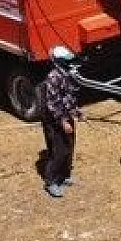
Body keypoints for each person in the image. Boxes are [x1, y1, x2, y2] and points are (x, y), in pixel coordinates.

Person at [38, 45, 81, 198]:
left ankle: (64, 176)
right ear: (58, 61)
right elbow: (53, 103)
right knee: (59, 151)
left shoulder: (68, 74)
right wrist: (63, 121)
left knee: (69, 147)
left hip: (66, 117)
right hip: (55, 120)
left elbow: (69, 97)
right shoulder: (53, 77)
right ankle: (50, 181)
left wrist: (77, 112)